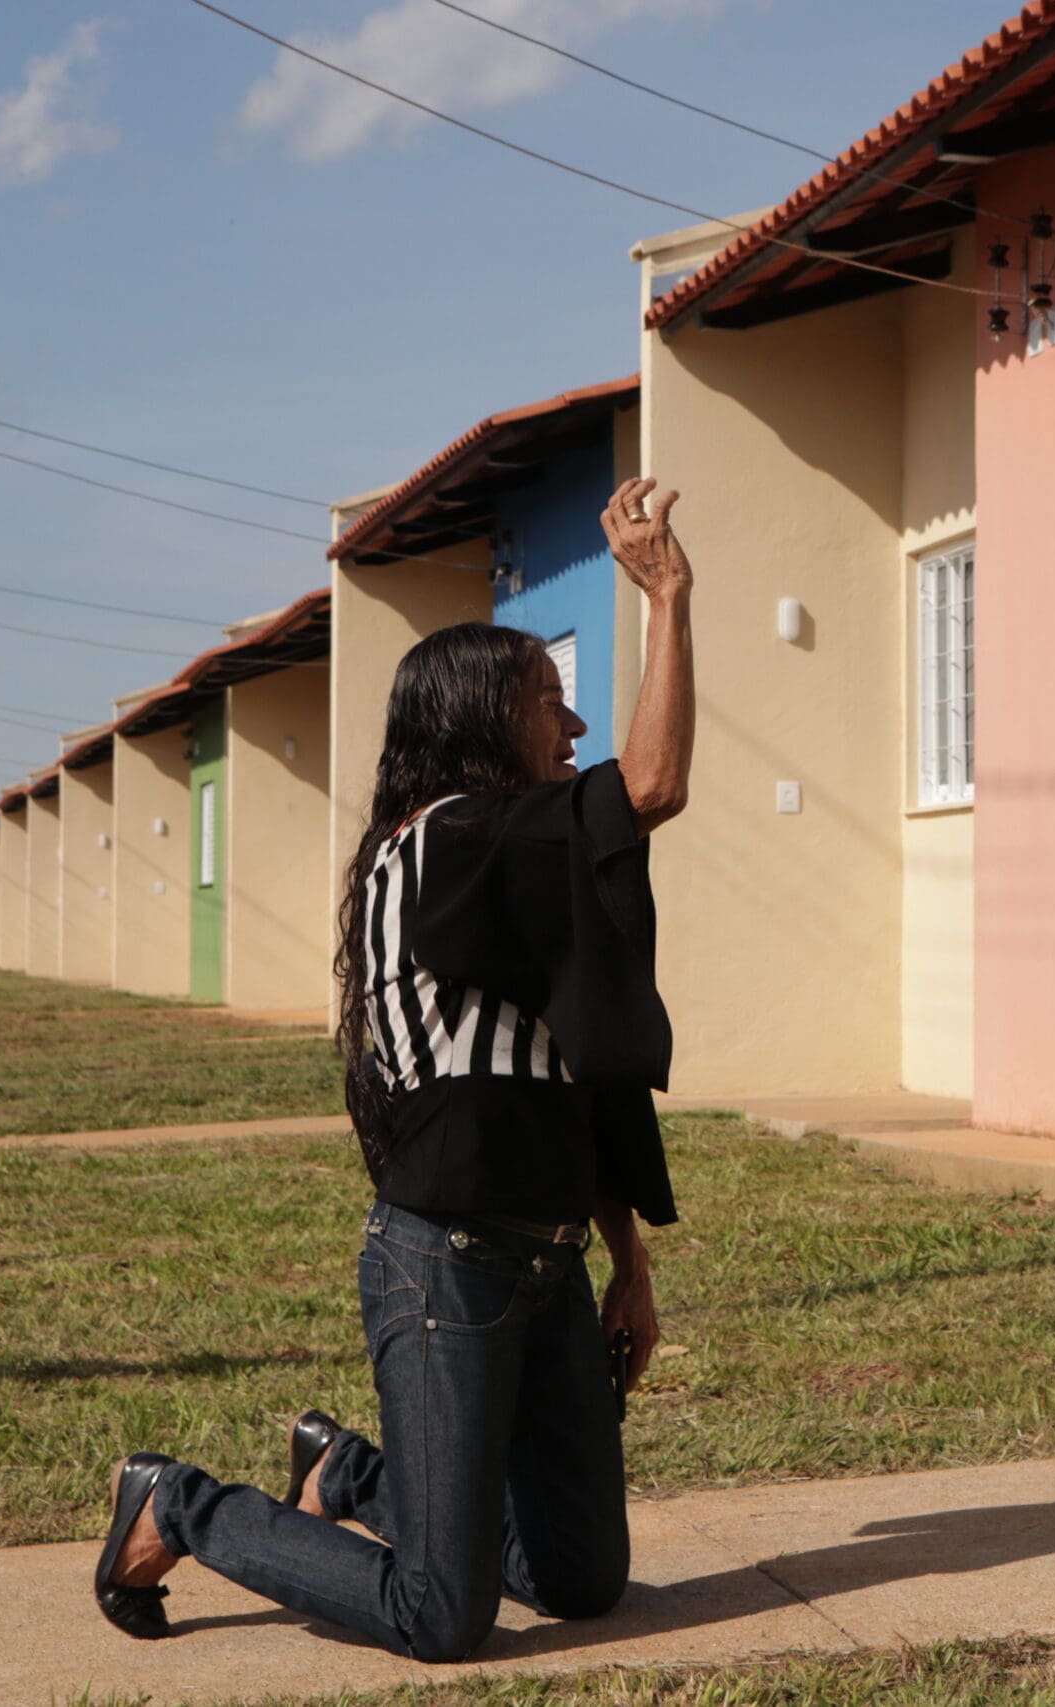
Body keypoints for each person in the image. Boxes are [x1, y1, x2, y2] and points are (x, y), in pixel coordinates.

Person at [90, 479, 696, 1662]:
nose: (573, 732)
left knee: (581, 1582)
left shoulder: (515, 863)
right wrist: (667, 598)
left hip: (547, 1264)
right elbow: (655, 786)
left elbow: (591, 1072)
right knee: (441, 1616)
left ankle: (350, 1471)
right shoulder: (447, 846)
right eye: (551, 706)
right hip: (446, 1269)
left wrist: (628, 1259)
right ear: (479, 717)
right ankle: (178, 1504)